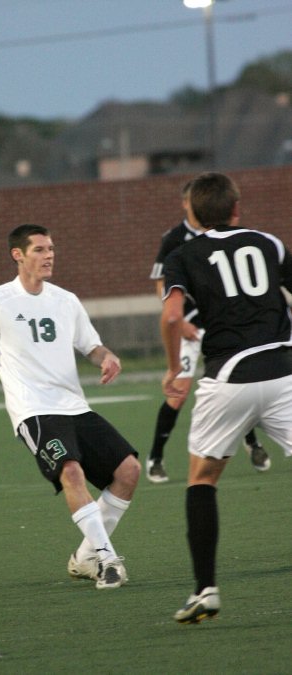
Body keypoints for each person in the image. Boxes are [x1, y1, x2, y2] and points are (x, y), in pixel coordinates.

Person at [0, 223, 141, 590]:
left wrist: (107, 356)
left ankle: (86, 556)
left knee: (129, 470)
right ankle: (107, 559)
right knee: (71, 470)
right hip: (33, 411)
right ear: (17, 255)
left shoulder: (65, 300)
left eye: (51, 248)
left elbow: (91, 347)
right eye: (39, 249)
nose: (48, 255)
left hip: (74, 406)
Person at [160, 172, 292, 623]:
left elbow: (172, 314)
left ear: (192, 215)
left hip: (229, 377)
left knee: (202, 479)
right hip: (283, 371)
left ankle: (205, 590)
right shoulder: (270, 243)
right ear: (238, 209)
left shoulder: (183, 254)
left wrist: (174, 367)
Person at [147, 180, 270, 483]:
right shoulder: (175, 240)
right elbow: (162, 285)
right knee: (179, 391)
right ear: (185, 203)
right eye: (189, 200)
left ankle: (252, 443)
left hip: (224, 322)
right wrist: (182, 320)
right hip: (189, 323)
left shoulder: (233, 237)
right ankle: (155, 457)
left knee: (241, 375)